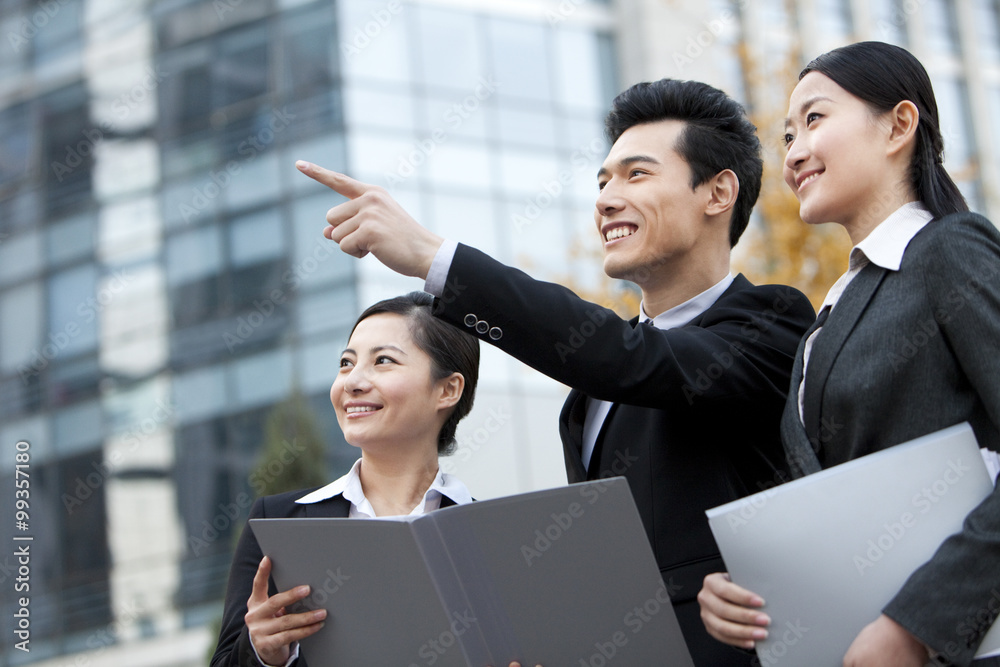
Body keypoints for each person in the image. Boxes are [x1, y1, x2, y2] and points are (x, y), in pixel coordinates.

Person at [295, 78, 816, 665]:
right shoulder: (595, 389)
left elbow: (631, 362)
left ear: (718, 192)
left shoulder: (772, 325)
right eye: (602, 182)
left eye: (636, 175)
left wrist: (432, 257)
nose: (606, 199)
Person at [696, 41, 1000, 667]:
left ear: (899, 125)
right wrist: (747, 588)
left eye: (814, 119)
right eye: (786, 136)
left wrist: (916, 625)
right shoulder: (823, 325)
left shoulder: (948, 251)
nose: (795, 152)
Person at [211, 292, 514, 667]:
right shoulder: (277, 522)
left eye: (383, 361)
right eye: (346, 363)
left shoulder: (496, 540)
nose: (352, 382)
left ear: (447, 389)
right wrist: (262, 653)